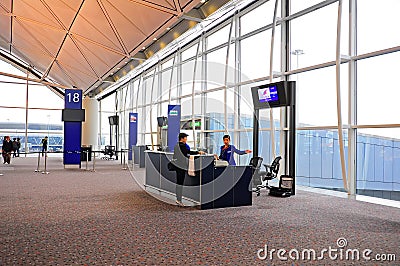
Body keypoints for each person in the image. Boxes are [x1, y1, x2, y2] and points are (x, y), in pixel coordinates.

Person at [173, 133, 205, 207]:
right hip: (181, 166)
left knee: (179, 182)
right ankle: (179, 200)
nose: (186, 139)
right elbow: (187, 153)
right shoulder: (182, 146)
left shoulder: (176, 145)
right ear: (182, 138)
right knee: (180, 183)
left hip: (178, 166)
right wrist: (198, 152)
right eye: (185, 138)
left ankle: (178, 199)